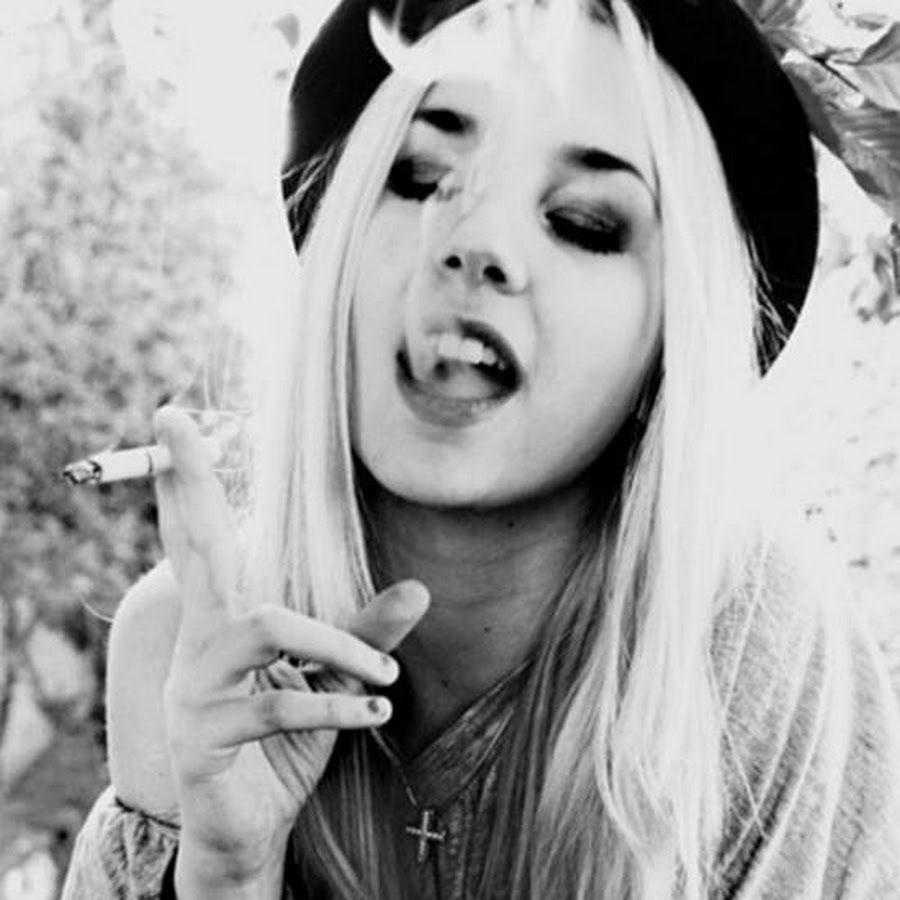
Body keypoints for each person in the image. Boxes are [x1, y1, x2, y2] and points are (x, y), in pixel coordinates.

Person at [63, 0, 900, 897]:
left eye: (583, 222)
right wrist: (227, 875)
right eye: (419, 175)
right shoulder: (188, 641)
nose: (474, 244)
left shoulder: (749, 634)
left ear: (675, 340)